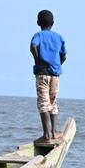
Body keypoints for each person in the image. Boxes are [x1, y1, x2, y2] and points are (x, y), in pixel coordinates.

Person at [30, 9, 66, 143]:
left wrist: (37, 59)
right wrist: (58, 65)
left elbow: (33, 46)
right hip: (55, 74)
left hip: (42, 74)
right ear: (53, 23)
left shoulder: (39, 35)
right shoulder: (58, 37)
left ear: (38, 22)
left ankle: (46, 135)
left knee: (43, 103)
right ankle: (54, 132)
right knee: (52, 102)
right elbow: (64, 55)